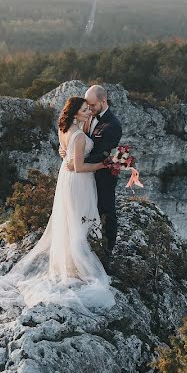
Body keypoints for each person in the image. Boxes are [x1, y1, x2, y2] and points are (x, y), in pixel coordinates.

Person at [0, 96, 116, 315]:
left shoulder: (64, 129)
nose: (88, 112)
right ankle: (77, 265)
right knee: (78, 219)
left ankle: (71, 262)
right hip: (78, 180)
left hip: (65, 178)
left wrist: (65, 152)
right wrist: (105, 163)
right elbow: (78, 167)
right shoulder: (80, 137)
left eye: (88, 109)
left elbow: (65, 151)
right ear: (75, 113)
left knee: (70, 219)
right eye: (84, 110)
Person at [65, 85, 123, 270]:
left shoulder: (113, 125)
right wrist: (68, 152)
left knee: (107, 213)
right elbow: (77, 141)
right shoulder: (88, 118)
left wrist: (76, 160)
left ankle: (106, 257)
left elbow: (102, 154)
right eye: (86, 106)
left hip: (102, 177)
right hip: (84, 177)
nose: (89, 109)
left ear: (103, 101)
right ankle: (85, 253)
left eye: (92, 105)